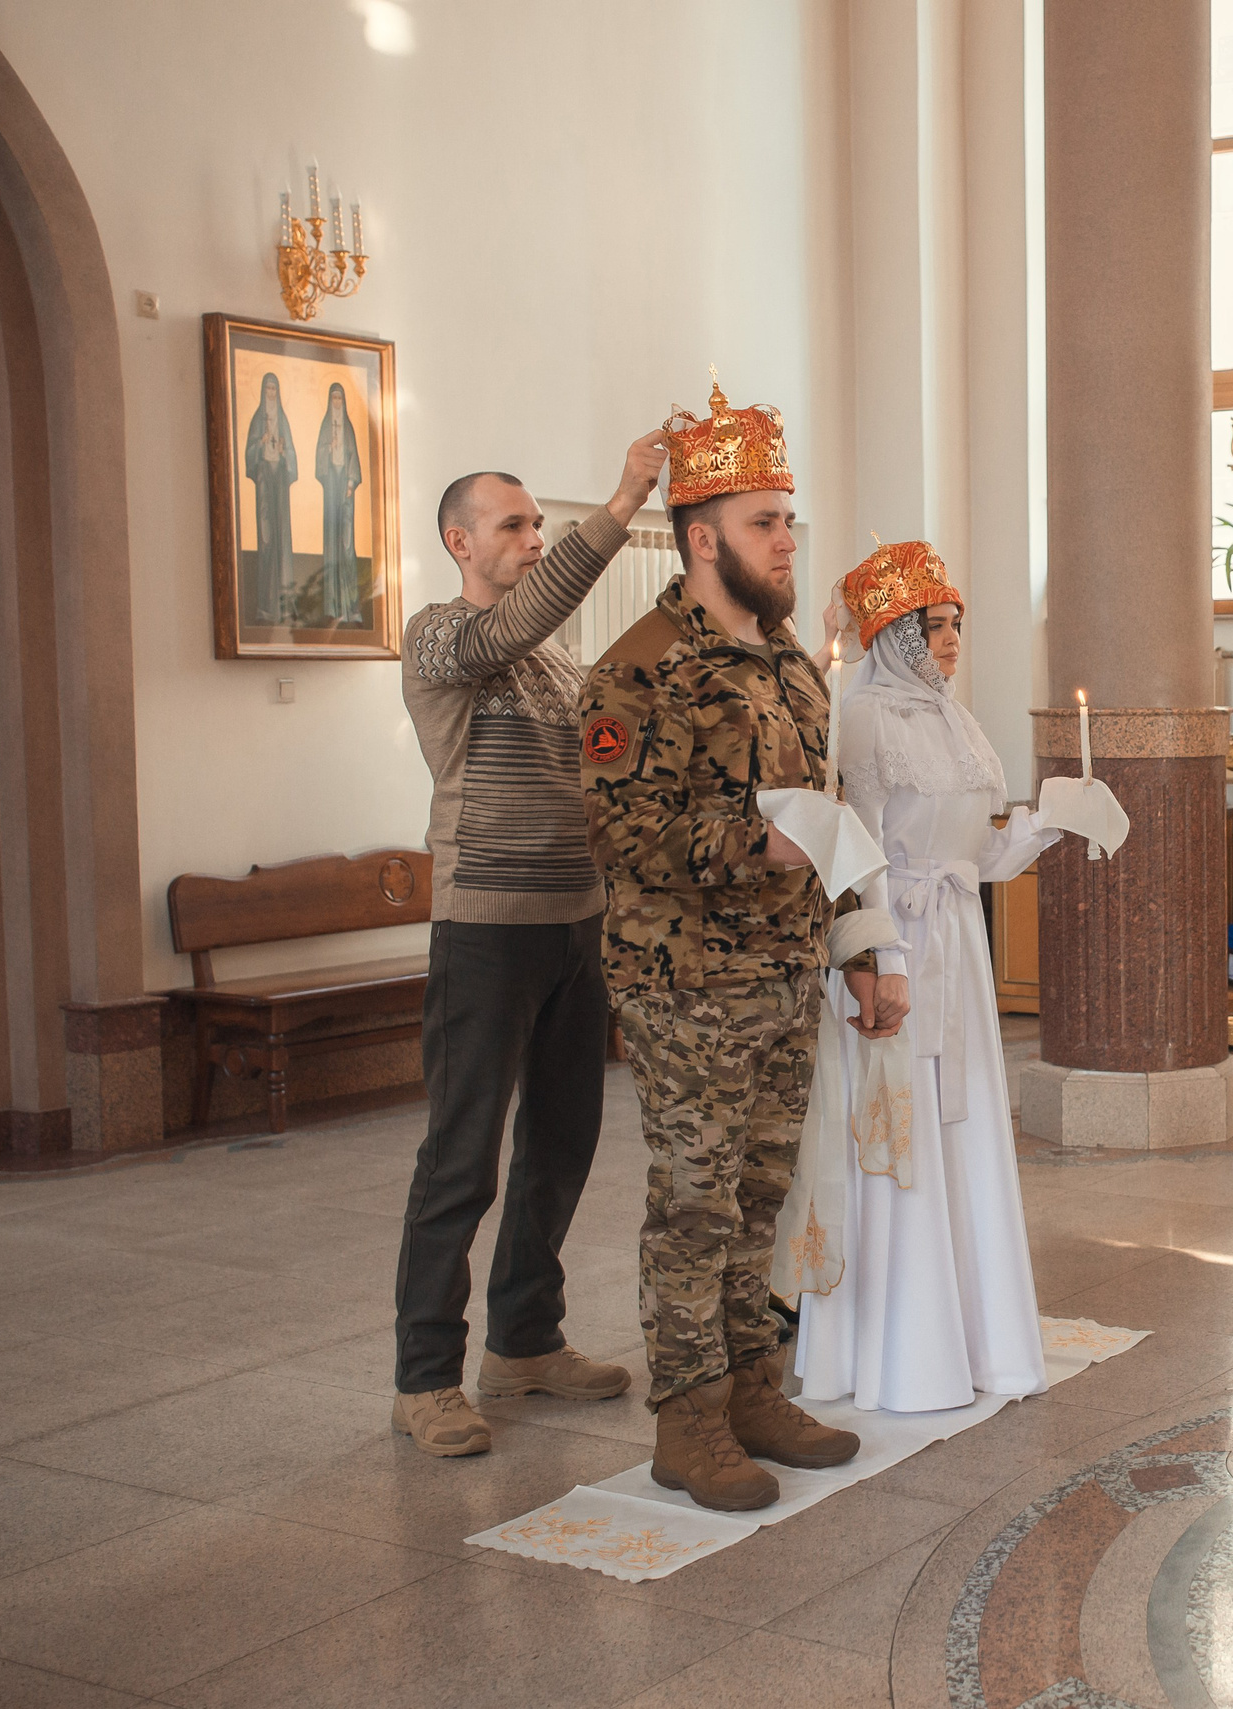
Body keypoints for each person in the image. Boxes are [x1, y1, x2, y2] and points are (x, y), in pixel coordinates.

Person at [579, 380, 910, 1512]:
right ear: (704, 534)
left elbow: (831, 812)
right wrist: (749, 843)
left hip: (783, 971)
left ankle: (751, 1387)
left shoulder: (792, 666)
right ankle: (687, 1418)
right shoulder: (638, 667)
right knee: (694, 1204)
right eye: (768, 522)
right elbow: (618, 833)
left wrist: (859, 942)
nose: (786, 541)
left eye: (789, 520)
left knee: (760, 1196)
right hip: (686, 981)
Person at [389, 431, 668, 1458]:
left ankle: (524, 1339)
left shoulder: (552, 661)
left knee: (561, 1142)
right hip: (486, 931)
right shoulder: (436, 637)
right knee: (461, 1157)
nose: (531, 537)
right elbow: (524, 613)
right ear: (461, 541)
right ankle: (424, 1376)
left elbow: (608, 743)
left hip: (573, 924)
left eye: (536, 523)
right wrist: (626, 497)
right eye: (514, 524)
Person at [790, 542, 1059, 1412]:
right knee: (898, 1132)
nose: (949, 641)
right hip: (896, 942)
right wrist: (886, 959)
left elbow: (971, 853)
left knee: (966, 1125)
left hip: (958, 940)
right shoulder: (863, 716)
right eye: (931, 626)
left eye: (953, 624)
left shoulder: (957, 717)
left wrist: (1049, 828)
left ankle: (977, 1338)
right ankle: (901, 1353)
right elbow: (857, 847)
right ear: (894, 635)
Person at [242, 371, 296, 624]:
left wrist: (284, 454)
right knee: (266, 542)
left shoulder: (282, 420)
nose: (271, 394)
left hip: (280, 490)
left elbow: (292, 461)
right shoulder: (257, 420)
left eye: (274, 390)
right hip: (265, 488)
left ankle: (286, 608)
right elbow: (250, 455)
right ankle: (266, 607)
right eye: (268, 390)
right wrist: (259, 446)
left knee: (283, 544)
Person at [315, 382, 365, 626]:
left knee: (347, 545)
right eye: (333, 398)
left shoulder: (348, 428)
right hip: (330, 489)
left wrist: (350, 482)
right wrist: (328, 449)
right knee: (332, 545)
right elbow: (320, 461)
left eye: (339, 398)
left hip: (345, 491)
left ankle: (351, 607)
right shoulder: (327, 426)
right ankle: (333, 606)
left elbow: (354, 457)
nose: (336, 402)